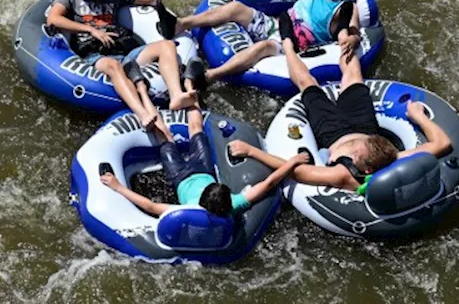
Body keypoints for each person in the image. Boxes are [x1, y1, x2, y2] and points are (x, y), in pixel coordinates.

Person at [227, 29, 453, 193]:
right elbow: (442, 144)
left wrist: (251, 151)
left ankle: (287, 48)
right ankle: (344, 39)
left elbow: (299, 172)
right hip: (364, 125)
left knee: (308, 84)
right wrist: (418, 116)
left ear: (367, 169)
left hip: (331, 132)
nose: (354, 151)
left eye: (357, 155)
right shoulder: (395, 157)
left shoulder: (344, 175)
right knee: (354, 77)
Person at [100, 73, 310, 220]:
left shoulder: (193, 210)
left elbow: (151, 207)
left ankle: (142, 90)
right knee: (194, 128)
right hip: (203, 168)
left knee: (163, 134)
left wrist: (118, 186)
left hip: (181, 175)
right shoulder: (234, 205)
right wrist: (293, 162)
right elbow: (270, 183)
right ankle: (189, 88)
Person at [47, 0, 195, 128]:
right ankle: (142, 114)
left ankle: (176, 95)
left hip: (123, 50)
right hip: (94, 53)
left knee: (167, 45)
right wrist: (91, 30)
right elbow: (53, 18)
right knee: (113, 66)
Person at [173, 0, 367, 81]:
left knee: (263, 47)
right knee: (235, 8)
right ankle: (181, 24)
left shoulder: (346, 6)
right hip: (277, 23)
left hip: (293, 43)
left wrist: (352, 39)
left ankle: (209, 76)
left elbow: (352, 31)